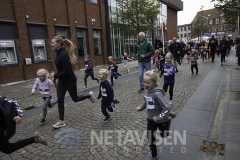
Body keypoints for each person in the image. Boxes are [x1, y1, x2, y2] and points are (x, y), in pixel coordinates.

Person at [50, 36, 95, 129]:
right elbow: (61, 69)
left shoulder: (63, 55)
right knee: (60, 100)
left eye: (53, 43)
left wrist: (55, 76)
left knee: (75, 99)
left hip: (70, 80)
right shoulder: (58, 53)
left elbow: (67, 71)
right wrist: (56, 77)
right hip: (62, 81)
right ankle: (61, 121)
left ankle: (89, 95)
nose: (51, 44)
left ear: (58, 44)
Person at [136, 70, 171, 160]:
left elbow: (167, 107)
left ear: (154, 82)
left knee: (164, 135)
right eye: (144, 82)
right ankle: (154, 155)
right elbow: (146, 100)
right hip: (151, 119)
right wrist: (141, 107)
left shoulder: (157, 93)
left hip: (161, 119)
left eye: (148, 82)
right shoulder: (147, 91)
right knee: (150, 137)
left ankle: (168, 120)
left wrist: (159, 118)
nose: (145, 84)